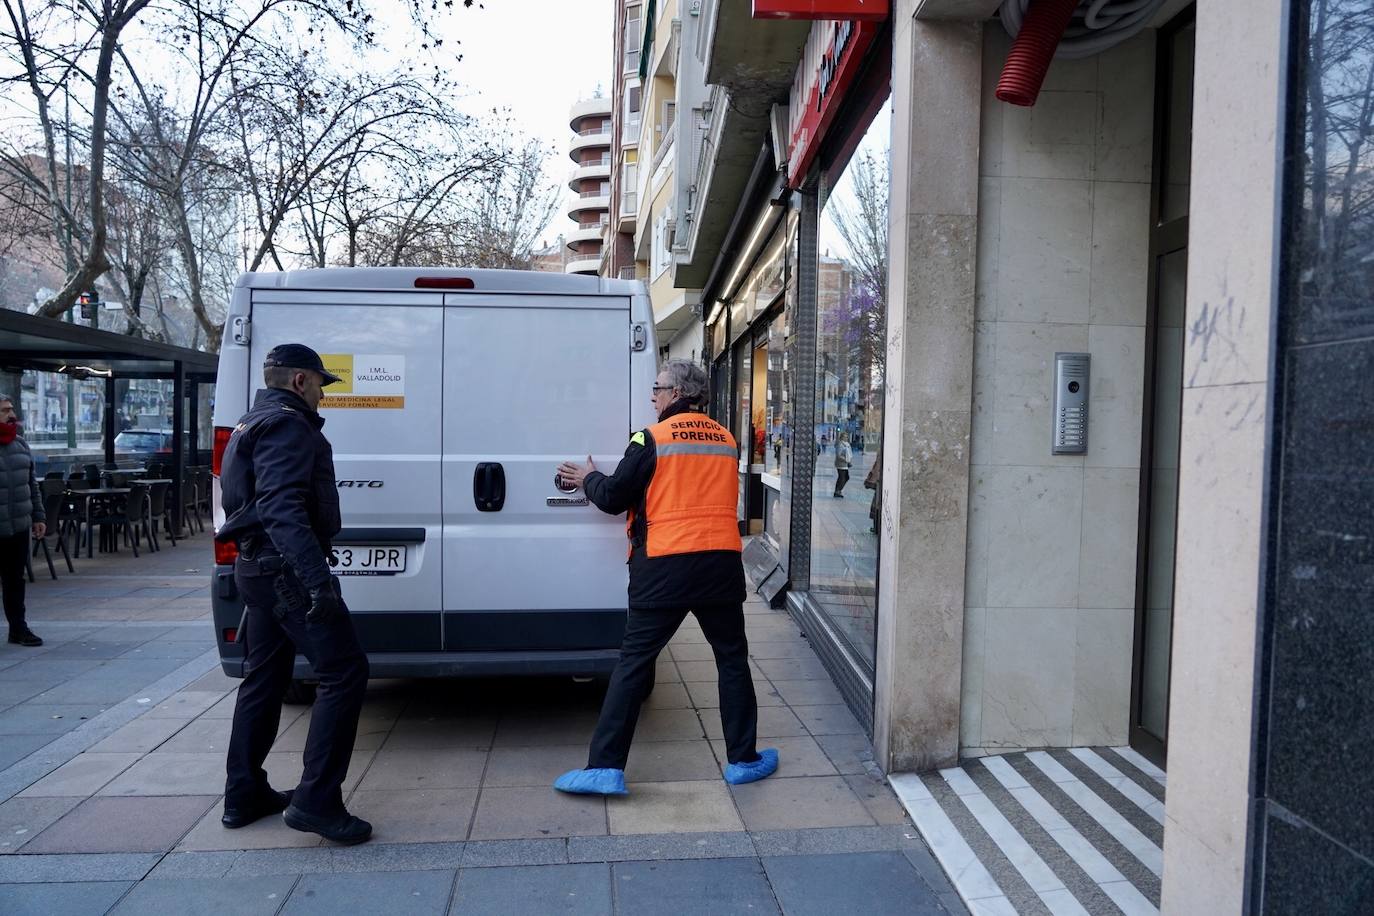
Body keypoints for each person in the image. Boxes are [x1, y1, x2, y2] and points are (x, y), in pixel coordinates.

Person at [552, 360, 779, 796]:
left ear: (676, 393)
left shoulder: (650, 438)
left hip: (665, 566)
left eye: (657, 389)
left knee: (634, 663)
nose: (653, 397)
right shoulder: (726, 439)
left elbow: (615, 497)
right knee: (731, 660)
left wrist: (588, 477)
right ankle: (743, 760)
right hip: (720, 566)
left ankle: (604, 768)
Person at [215, 344, 372, 845]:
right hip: (284, 572)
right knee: (345, 672)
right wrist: (316, 580)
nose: (323, 396)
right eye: (321, 385)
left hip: (257, 569)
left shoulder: (251, 420)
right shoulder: (287, 424)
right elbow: (283, 506)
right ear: (300, 380)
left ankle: (244, 793)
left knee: (264, 677)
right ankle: (316, 802)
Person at [0, 396, 46, 647]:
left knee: (15, 581)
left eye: (11, 410)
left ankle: (18, 628)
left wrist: (38, 516)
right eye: (5, 411)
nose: (11, 415)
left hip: (18, 526)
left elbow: (32, 486)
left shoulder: (21, 445)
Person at [833, 432, 852, 498]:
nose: (846, 438)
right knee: (843, 477)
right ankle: (838, 491)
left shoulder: (847, 444)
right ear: (841, 437)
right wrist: (846, 459)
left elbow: (849, 454)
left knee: (844, 477)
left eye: (847, 437)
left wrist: (849, 461)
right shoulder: (840, 444)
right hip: (840, 463)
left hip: (845, 464)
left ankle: (838, 490)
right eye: (844, 437)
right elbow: (838, 455)